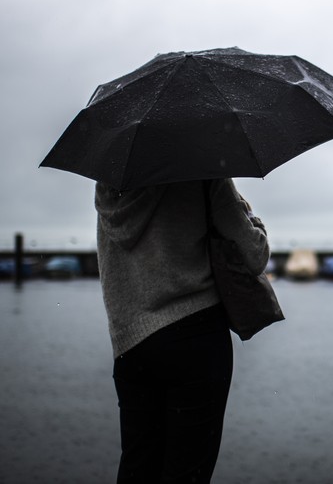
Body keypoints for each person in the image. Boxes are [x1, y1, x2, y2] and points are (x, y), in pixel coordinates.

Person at [95, 178, 269, 483]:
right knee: (188, 473)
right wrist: (247, 212)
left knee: (137, 466)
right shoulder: (203, 169)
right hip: (195, 335)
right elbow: (254, 253)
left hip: (131, 344)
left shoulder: (110, 179)